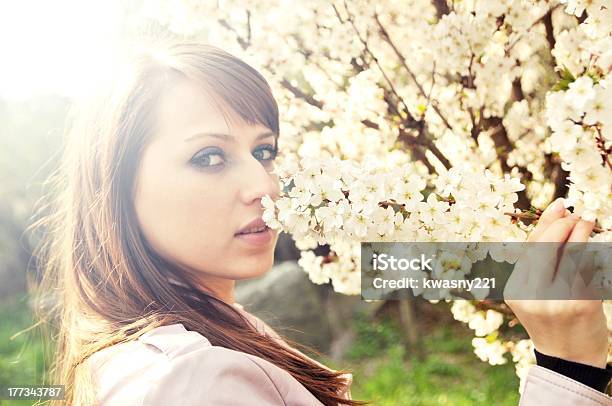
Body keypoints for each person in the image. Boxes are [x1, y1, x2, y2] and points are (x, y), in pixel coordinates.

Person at [31, 42, 610, 405]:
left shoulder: (207, 337)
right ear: (117, 187)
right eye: (208, 157)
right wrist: (567, 362)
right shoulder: (189, 382)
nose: (262, 186)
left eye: (264, 151)